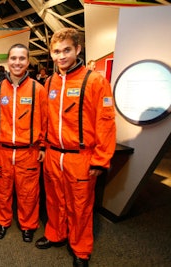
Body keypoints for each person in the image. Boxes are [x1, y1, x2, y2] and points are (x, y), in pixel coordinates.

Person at [35, 28, 116, 267]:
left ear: (78, 49)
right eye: (57, 51)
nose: (62, 56)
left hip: (80, 156)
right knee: (54, 200)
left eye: (67, 50)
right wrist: (42, 146)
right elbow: (44, 119)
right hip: (52, 154)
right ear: (51, 54)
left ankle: (81, 249)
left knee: (80, 206)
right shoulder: (49, 82)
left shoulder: (95, 81)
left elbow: (106, 123)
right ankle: (55, 234)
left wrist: (101, 159)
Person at [0, 43, 47, 243]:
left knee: (28, 192)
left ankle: (28, 225)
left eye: (22, 58)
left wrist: (44, 146)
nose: (17, 62)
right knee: (1, 190)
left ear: (28, 61)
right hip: (2, 150)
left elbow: (45, 121)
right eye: (13, 58)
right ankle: (2, 222)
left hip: (28, 151)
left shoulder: (38, 90)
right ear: (8, 61)